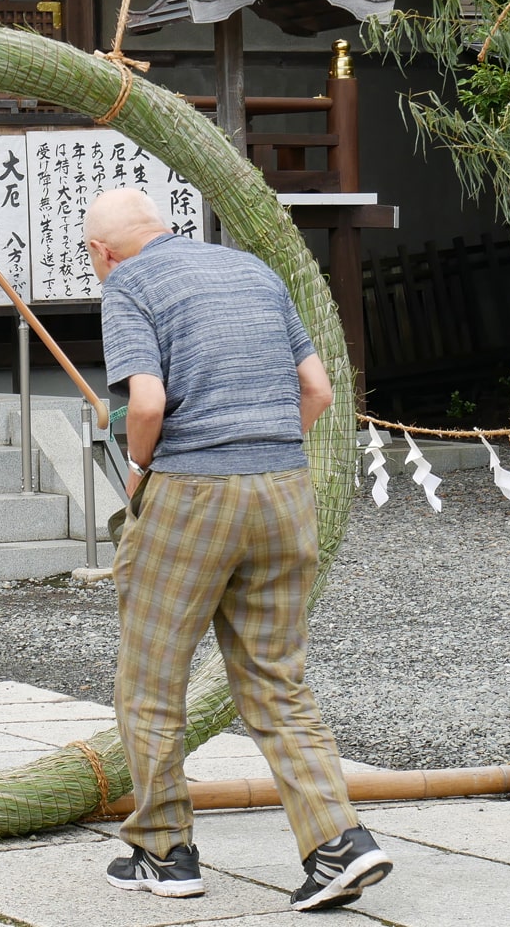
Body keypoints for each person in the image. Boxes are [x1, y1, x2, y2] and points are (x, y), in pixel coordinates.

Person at [87, 188, 391, 911]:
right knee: (276, 679)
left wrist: (138, 469)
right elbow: (315, 389)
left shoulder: (129, 282)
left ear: (102, 252)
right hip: (284, 492)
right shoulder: (254, 272)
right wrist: (268, 445)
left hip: (192, 494)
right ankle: (337, 842)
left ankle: (166, 851)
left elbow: (149, 403)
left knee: (152, 678)